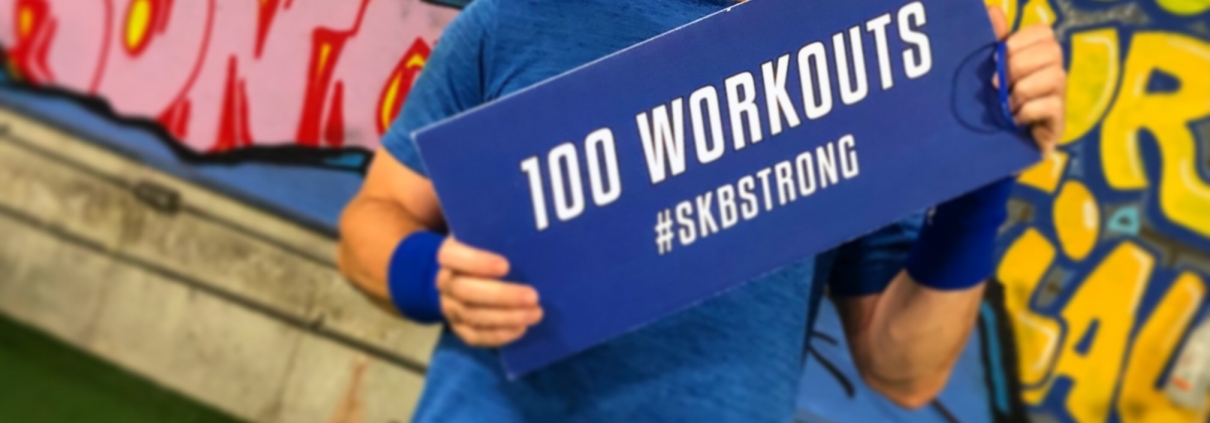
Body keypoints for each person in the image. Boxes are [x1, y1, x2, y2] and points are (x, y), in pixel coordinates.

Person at [336, 0, 1065, 421]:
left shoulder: (854, 74)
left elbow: (904, 368)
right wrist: (429, 274)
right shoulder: (522, 16)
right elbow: (375, 217)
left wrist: (982, 169)